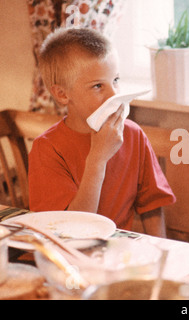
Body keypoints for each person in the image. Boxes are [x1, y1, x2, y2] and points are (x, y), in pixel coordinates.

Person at [29, 28, 176, 237]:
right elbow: (73, 230)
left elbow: (152, 205)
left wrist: (160, 255)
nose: (113, 94)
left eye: (115, 80)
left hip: (117, 255)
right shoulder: (47, 149)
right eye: (98, 86)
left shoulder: (133, 135)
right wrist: (97, 159)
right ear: (62, 94)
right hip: (68, 254)